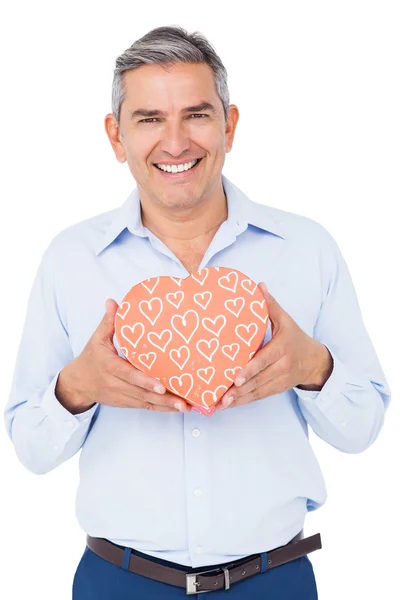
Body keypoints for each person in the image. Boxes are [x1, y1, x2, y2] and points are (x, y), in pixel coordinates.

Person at [4, 24, 391, 600]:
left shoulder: (306, 250)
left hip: (274, 581)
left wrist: (313, 366)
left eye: (197, 115)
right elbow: (31, 449)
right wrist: (77, 387)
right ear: (116, 137)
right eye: (149, 119)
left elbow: (362, 428)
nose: (176, 141)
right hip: (119, 582)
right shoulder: (71, 259)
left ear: (230, 126)